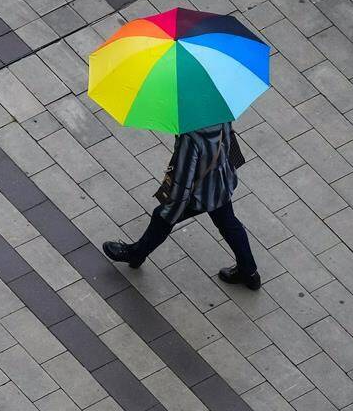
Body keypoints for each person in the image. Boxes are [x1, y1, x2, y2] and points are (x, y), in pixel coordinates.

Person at [102, 121, 260, 290]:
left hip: (201, 193)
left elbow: (183, 180)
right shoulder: (220, 115)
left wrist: (171, 211)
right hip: (220, 183)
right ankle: (250, 273)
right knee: (228, 223)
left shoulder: (191, 137)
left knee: (161, 218)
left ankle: (135, 254)